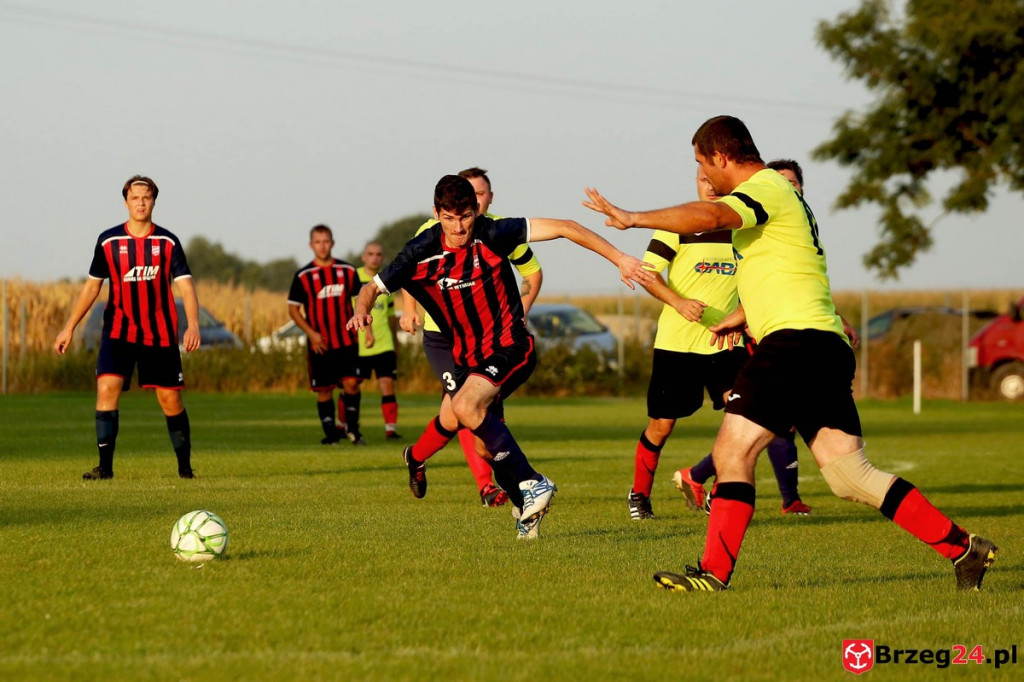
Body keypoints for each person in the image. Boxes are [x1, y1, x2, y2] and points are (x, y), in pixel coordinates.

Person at [584, 115, 997, 591]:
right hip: (821, 345)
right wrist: (745, 314)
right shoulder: (782, 199)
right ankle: (965, 549)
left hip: (795, 345)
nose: (707, 180)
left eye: (702, 164)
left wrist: (633, 218)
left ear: (720, 158)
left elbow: (712, 217)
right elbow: (788, 272)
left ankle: (713, 574)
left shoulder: (765, 189)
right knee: (848, 475)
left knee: (732, 450)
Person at [351, 174, 651, 539]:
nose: (459, 227)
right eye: (449, 218)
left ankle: (533, 483)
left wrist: (619, 257)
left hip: (511, 346)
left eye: (465, 216)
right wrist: (361, 310)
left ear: (475, 210)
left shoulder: (494, 233)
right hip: (466, 358)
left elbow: (566, 227)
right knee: (482, 443)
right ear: (436, 214)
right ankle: (526, 507)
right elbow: (371, 288)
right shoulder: (419, 251)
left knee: (462, 408)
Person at [672, 159, 863, 517]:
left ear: (801, 188)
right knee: (762, 432)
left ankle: (702, 479)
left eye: (793, 182)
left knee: (764, 432)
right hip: (777, 339)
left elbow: (805, 288)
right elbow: (763, 283)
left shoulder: (796, 222)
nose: (787, 186)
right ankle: (758, 495)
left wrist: (838, 319)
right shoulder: (763, 215)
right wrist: (740, 316)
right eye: (781, 181)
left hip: (800, 336)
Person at [400, 167, 544, 507]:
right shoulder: (435, 230)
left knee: (455, 415)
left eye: (480, 196)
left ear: (487, 200)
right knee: (466, 408)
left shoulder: (497, 230)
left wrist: (521, 308)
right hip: (444, 340)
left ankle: (415, 457)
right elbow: (406, 271)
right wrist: (410, 310)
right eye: (470, 195)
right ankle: (489, 487)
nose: (472, 206)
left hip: (489, 341)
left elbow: (532, 272)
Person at [54, 175, 200, 480]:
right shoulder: (108, 241)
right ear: (126, 202)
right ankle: (105, 468)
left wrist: (193, 325)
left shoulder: (168, 242)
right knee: (107, 387)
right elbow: (91, 288)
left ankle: (185, 468)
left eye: (146, 197)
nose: (140, 202)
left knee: (169, 399)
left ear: (154, 202)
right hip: (119, 331)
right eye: (135, 197)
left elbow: (186, 288)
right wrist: (69, 327)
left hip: (158, 333)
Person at [626, 166, 749, 521]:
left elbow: (759, 280)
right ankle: (639, 495)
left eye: (714, 179)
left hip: (725, 344)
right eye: (702, 180)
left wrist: (743, 314)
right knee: (661, 426)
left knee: (743, 419)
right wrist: (678, 303)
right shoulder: (676, 224)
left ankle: (716, 490)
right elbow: (646, 274)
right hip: (677, 344)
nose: (709, 187)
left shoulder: (745, 230)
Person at [288, 224, 365, 446]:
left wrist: (366, 329)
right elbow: (293, 309)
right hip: (319, 343)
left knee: (351, 384)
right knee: (324, 390)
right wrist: (311, 334)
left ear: (332, 243)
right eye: (318, 242)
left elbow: (362, 300)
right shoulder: (303, 275)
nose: (322, 246)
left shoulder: (348, 271)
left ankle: (353, 430)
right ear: (311, 245)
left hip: (347, 340)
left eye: (326, 241)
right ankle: (331, 435)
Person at [356, 241, 402, 440]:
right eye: (370, 254)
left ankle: (390, 429)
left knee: (386, 384)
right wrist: (367, 332)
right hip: (360, 343)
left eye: (378, 254)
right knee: (351, 385)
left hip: (384, 344)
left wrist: (395, 341)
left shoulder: (385, 280)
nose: (374, 257)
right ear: (363, 257)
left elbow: (391, 315)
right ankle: (346, 426)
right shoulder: (354, 277)